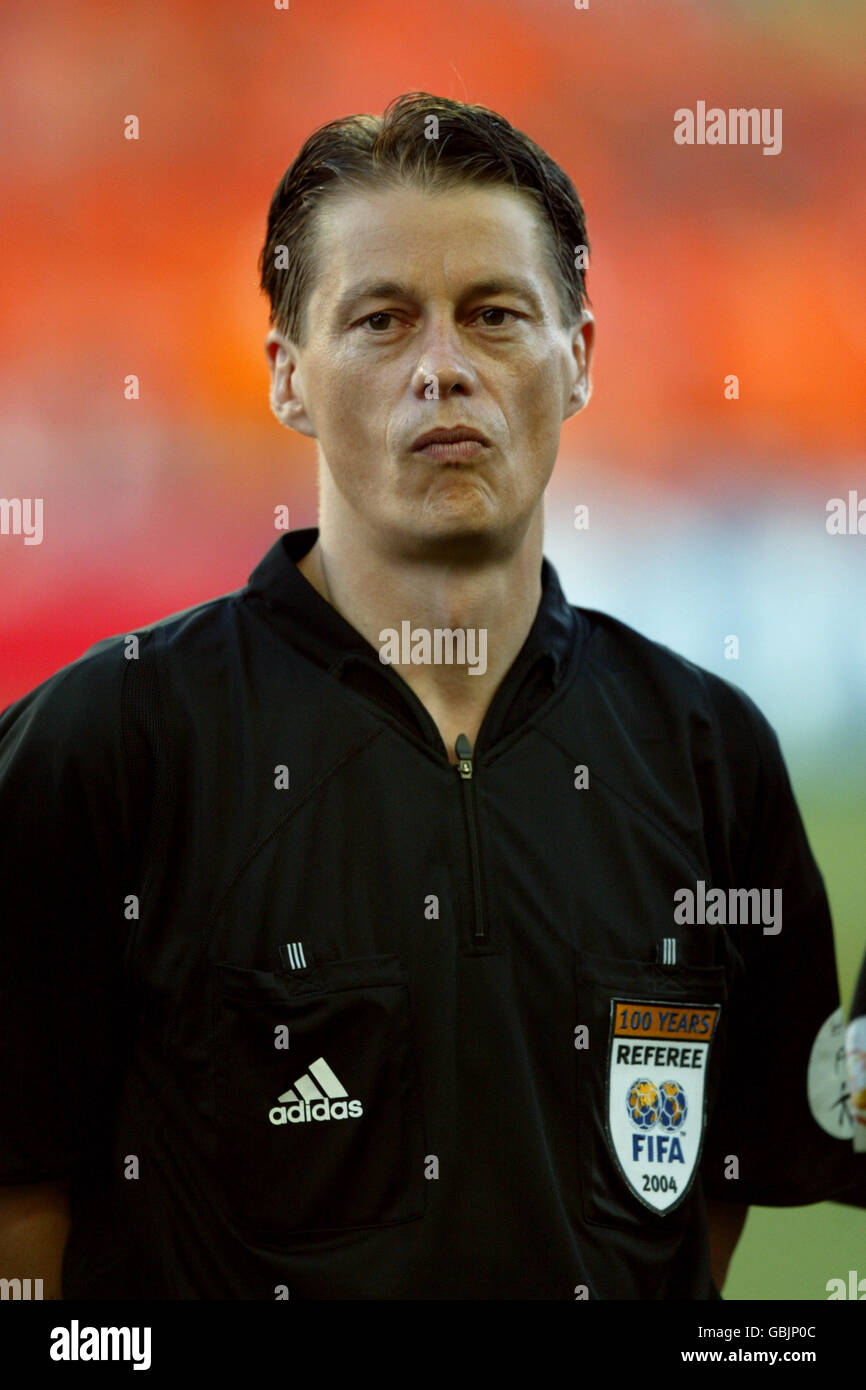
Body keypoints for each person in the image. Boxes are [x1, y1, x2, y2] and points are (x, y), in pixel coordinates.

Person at [1, 92, 863, 1301]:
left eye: (494, 315)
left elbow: (712, 1200)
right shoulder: (105, 746)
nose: (443, 369)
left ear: (579, 361)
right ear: (286, 376)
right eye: (381, 319)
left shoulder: (711, 757)